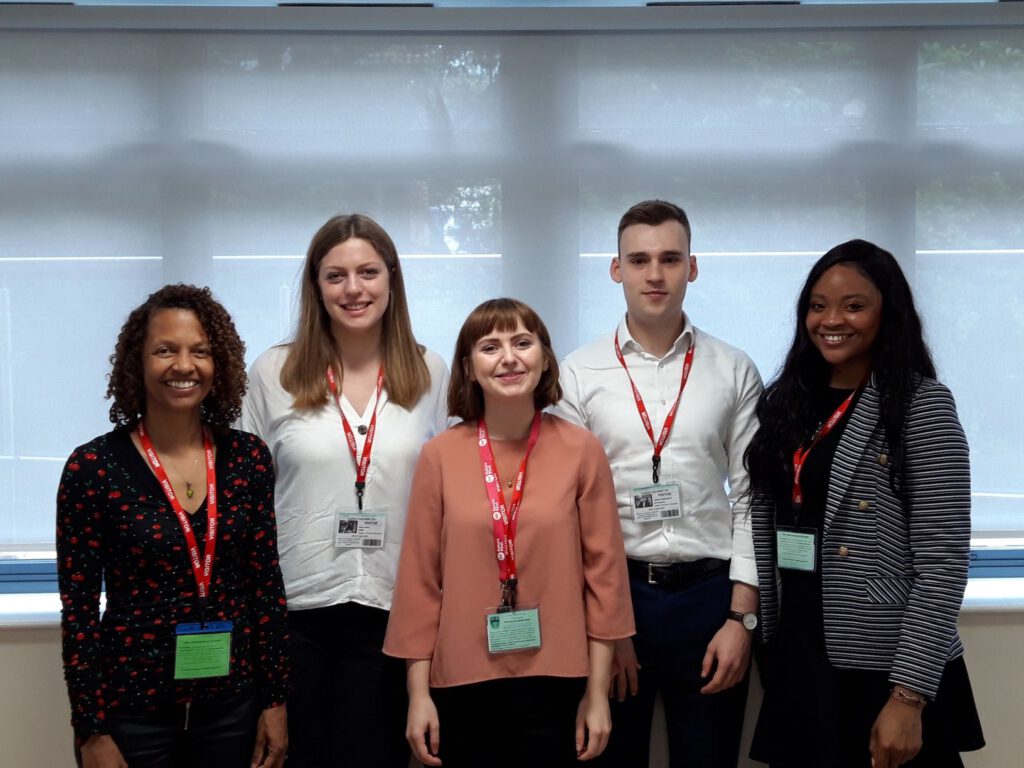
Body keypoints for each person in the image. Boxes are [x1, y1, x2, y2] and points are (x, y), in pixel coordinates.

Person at [744, 239, 984, 768]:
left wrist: (907, 697)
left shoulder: (922, 405)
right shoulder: (786, 402)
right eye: (817, 305)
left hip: (882, 662)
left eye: (854, 305)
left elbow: (943, 565)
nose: (832, 320)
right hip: (799, 650)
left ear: (887, 312)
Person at [554, 200, 761, 768]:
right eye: (638, 259)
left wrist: (741, 620)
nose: (654, 274)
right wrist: (606, 629)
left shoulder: (733, 368)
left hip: (709, 601)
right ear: (615, 269)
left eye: (670, 259)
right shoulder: (577, 372)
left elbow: (750, 497)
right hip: (620, 598)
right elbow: (570, 510)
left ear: (692, 267)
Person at [383, 298, 635, 767]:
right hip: (462, 681)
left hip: (560, 679)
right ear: (468, 366)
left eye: (522, 342)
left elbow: (605, 578)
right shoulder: (439, 456)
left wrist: (597, 695)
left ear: (544, 357)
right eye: (490, 346)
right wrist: (418, 696)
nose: (509, 358)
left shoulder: (581, 450)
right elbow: (419, 583)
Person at [238, 213, 448, 768]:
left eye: (368, 272)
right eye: (336, 276)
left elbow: (452, 493)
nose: (354, 289)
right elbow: (245, 503)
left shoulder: (429, 371)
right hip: (296, 613)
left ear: (392, 279)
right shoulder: (273, 373)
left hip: (391, 612)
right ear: (315, 286)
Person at [57, 284, 289, 768]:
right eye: (165, 350)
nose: (183, 366)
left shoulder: (248, 460)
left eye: (199, 351)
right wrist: (90, 730)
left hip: (232, 708)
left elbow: (265, 588)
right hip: (132, 716)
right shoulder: (93, 468)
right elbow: (78, 613)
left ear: (217, 363)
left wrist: (275, 701)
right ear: (136, 364)